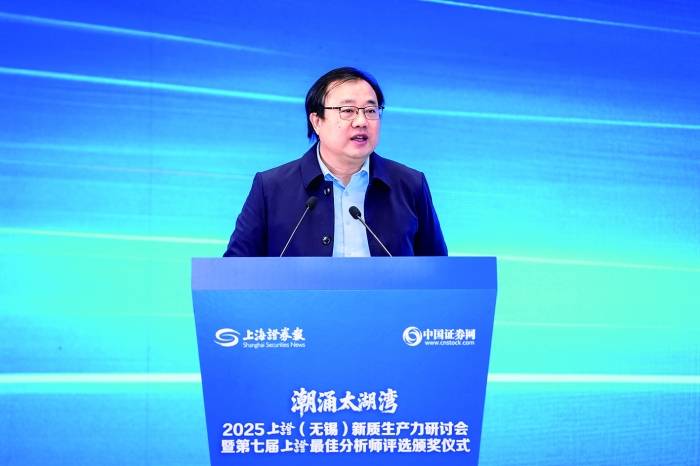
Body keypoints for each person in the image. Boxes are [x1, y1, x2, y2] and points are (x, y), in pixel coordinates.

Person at [223, 66, 447, 257]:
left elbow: (439, 272)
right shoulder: (271, 188)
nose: (361, 121)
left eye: (371, 110)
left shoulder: (410, 184)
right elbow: (235, 271)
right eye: (347, 111)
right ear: (317, 121)